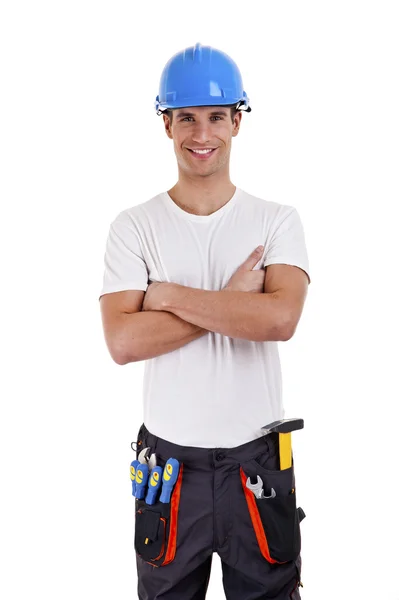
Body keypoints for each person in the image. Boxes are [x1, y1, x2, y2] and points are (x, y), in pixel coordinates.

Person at [99, 42, 310, 600]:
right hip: (168, 472)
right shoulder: (133, 227)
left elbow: (280, 318)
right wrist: (232, 302)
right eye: (186, 118)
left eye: (216, 116)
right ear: (165, 124)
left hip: (256, 467)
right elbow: (122, 341)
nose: (202, 134)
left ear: (237, 121)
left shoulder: (277, 221)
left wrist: (165, 296)